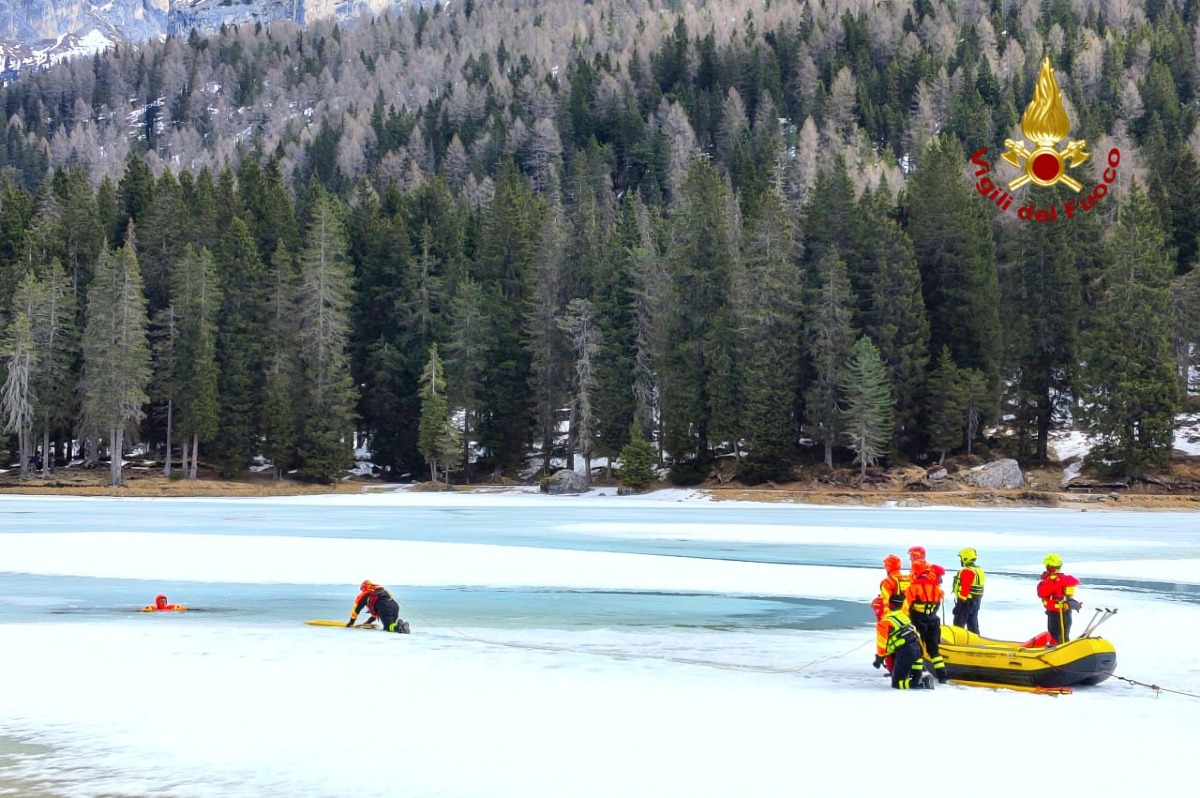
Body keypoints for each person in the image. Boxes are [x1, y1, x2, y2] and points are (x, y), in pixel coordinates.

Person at [874, 594, 933, 690]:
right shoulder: (901, 616)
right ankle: (921, 680)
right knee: (915, 675)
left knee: (897, 683)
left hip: (907, 652)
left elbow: (882, 644)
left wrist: (879, 659)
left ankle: (921, 684)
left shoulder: (883, 623)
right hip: (918, 650)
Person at [904, 561, 947, 683]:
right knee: (934, 650)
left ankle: (916, 675)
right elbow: (937, 604)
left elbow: (905, 608)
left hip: (917, 621)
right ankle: (942, 676)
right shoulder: (937, 588)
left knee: (918, 648)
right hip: (933, 621)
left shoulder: (913, 588)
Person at [1037, 555, 1080, 644]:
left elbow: (1041, 593)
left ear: (1050, 566)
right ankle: (1066, 652)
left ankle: (1055, 654)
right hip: (1066, 611)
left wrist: (1043, 581)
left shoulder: (1052, 580)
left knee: (1054, 636)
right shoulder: (1065, 578)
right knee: (1065, 635)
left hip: (1055, 612)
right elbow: (1074, 582)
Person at [952, 548, 985, 634]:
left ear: (965, 558)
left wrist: (958, 606)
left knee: (958, 625)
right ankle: (975, 641)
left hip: (965, 602)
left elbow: (965, 591)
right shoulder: (979, 570)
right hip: (976, 601)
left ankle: (958, 643)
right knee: (973, 625)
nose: (960, 561)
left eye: (961, 558)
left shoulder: (967, 571)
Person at [871, 554, 909, 622]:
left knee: (877, 602)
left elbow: (885, 601)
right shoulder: (908, 579)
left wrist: (885, 620)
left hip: (896, 614)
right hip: (909, 613)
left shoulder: (888, 582)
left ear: (888, 567)